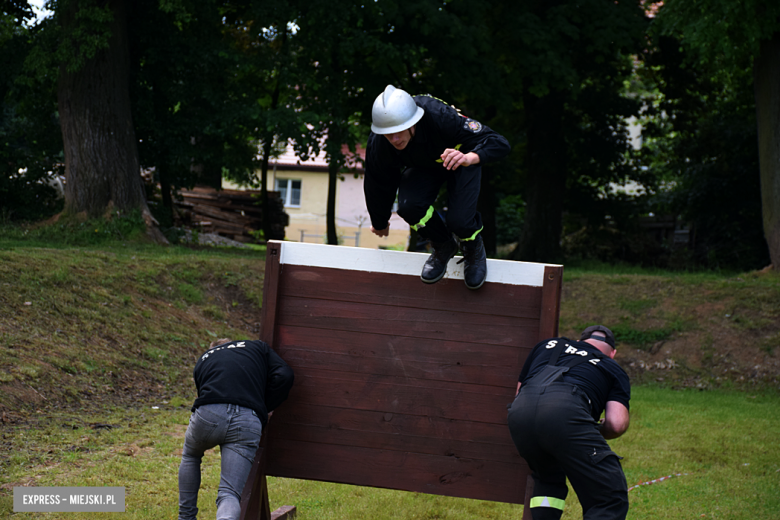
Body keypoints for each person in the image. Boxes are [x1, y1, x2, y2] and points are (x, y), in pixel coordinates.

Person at [364, 85, 511, 289]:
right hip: (425, 166)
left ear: (411, 123)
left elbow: (498, 143)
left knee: (458, 220)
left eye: (398, 132)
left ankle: (472, 247)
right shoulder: (380, 142)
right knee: (408, 206)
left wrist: (469, 157)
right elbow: (377, 181)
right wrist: (379, 221)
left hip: (461, 159)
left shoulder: (440, 115)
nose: (394, 139)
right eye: (389, 134)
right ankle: (442, 244)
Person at [507, 325, 631, 520]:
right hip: (566, 412)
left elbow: (519, 393)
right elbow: (616, 424)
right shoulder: (613, 367)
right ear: (613, 352)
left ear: (580, 341)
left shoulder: (547, 345)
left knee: (547, 479)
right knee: (608, 496)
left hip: (520, 414)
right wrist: (588, 428)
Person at [178, 338, 294, 520]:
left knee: (191, 455)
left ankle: (186, 517)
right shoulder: (257, 346)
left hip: (209, 413)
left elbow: (205, 393)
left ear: (215, 349)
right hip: (248, 420)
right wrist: (265, 406)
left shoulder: (204, 359)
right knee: (229, 493)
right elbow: (284, 375)